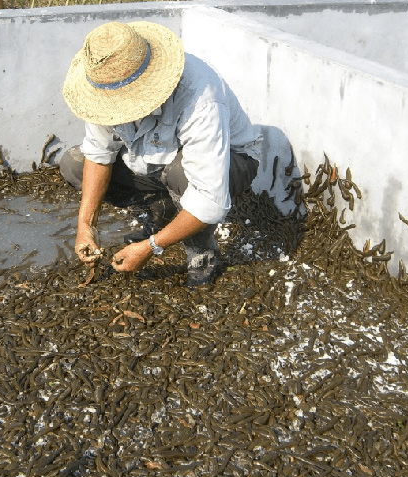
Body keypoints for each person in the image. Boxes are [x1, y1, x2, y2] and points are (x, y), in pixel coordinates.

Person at [59, 21, 262, 286]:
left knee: (181, 174)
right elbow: (99, 153)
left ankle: (202, 252)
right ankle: (163, 206)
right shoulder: (104, 85)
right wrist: (85, 224)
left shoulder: (199, 96)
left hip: (232, 162)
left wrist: (151, 247)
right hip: (151, 161)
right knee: (73, 164)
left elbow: (210, 200)